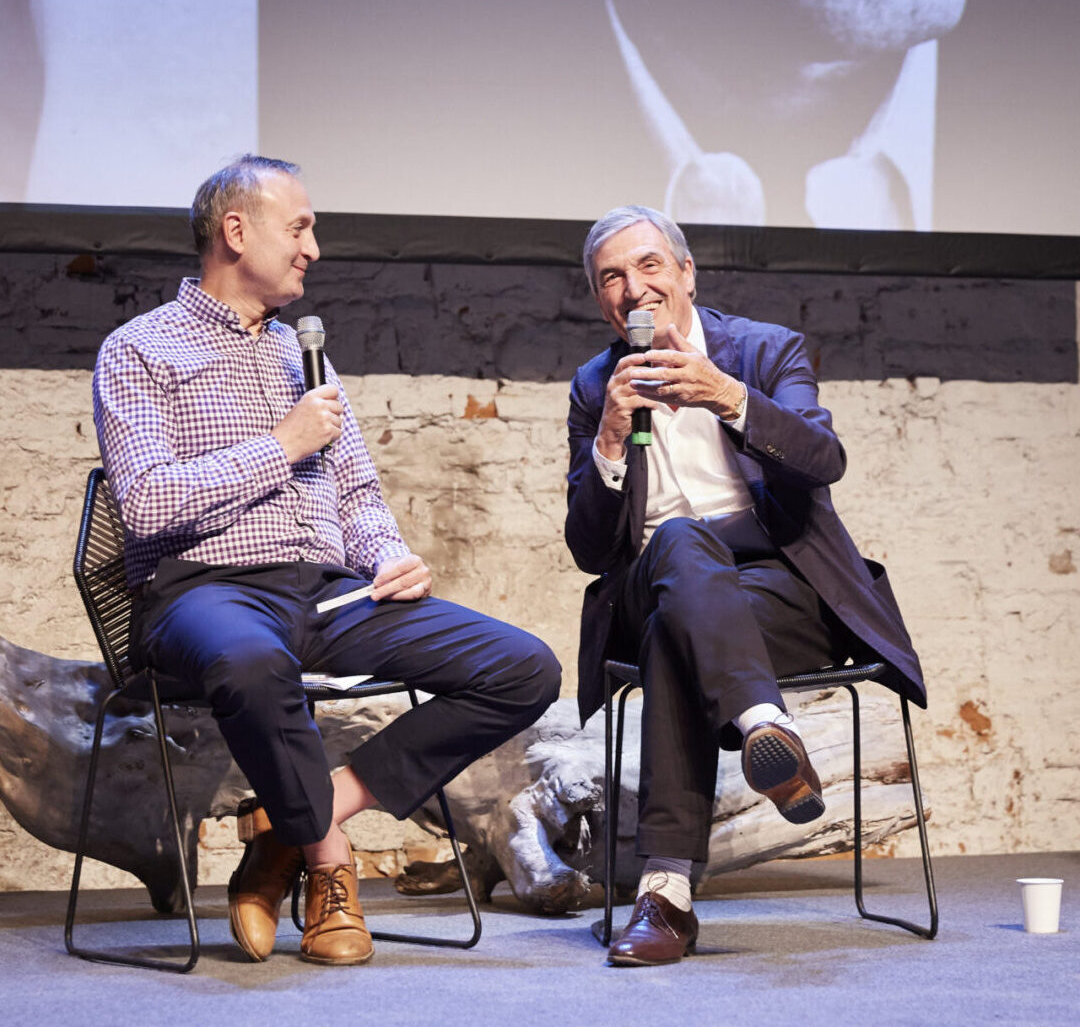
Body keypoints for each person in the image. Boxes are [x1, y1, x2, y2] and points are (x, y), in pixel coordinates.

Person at [92, 155, 561, 967]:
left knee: (523, 668)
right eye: (300, 226)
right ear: (236, 231)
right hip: (207, 593)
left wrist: (390, 556)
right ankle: (330, 866)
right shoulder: (139, 351)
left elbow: (357, 496)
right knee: (249, 663)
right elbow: (148, 503)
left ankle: (298, 819)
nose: (314, 247)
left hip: (331, 595)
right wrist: (281, 446)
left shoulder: (301, 355)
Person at [565, 205, 923, 967]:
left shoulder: (764, 351)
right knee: (679, 546)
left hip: (777, 586)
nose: (634, 288)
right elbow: (590, 550)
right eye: (613, 278)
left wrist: (726, 395)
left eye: (650, 266)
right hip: (652, 575)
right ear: (601, 300)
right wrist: (606, 439)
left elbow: (821, 461)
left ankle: (664, 898)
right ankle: (765, 720)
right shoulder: (596, 384)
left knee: (677, 631)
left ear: (687, 274)